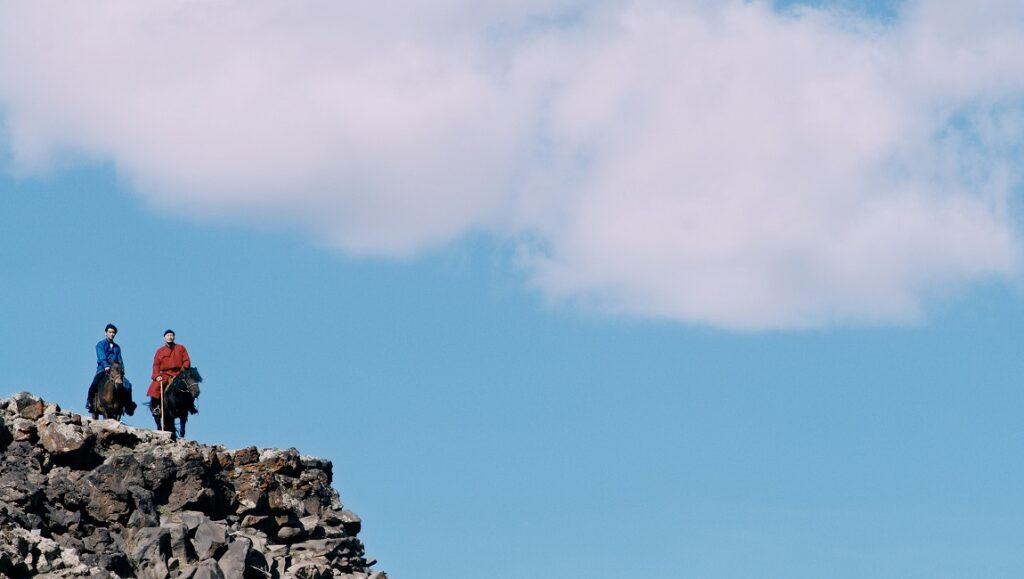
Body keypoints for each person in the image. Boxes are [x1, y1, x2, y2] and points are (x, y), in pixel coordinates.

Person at [86, 323, 136, 415]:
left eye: (113, 333)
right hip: (103, 369)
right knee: (94, 383)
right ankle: (90, 403)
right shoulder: (100, 345)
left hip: (116, 372)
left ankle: (128, 406)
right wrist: (106, 365)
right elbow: (101, 357)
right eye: (110, 332)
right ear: (106, 333)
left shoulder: (117, 347)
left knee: (128, 385)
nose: (112, 334)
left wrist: (122, 371)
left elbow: (120, 360)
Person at [148, 329, 196, 417]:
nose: (170, 337)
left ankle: (190, 405)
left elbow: (186, 361)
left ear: (174, 337)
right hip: (165, 374)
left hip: (179, 373)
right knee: (155, 386)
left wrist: (181, 373)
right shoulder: (160, 351)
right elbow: (156, 365)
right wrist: (157, 376)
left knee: (190, 384)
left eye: (171, 335)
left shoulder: (181, 348)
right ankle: (156, 406)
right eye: (168, 335)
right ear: (164, 338)